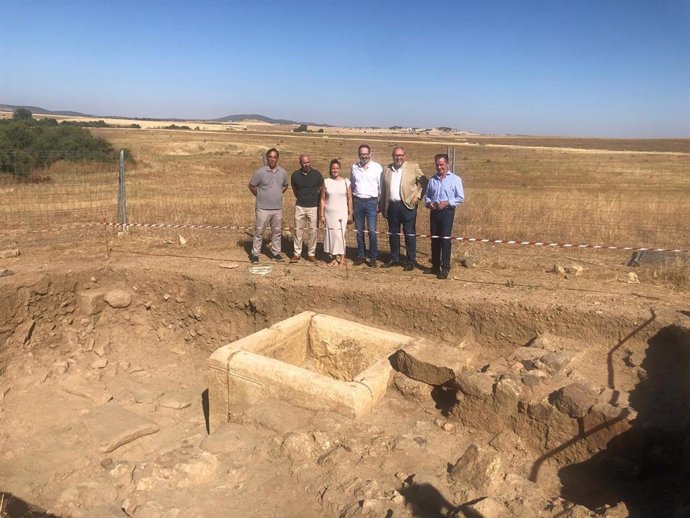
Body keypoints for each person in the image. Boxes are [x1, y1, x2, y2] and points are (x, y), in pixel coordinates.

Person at [379, 146, 428, 271]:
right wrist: (383, 206)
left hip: (407, 206)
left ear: (404, 156)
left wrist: (417, 197)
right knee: (393, 234)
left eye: (401, 155)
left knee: (409, 234)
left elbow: (425, 182)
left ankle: (411, 260)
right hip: (392, 207)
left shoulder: (413, 167)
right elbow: (383, 189)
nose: (398, 157)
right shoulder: (386, 169)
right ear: (393, 156)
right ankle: (394, 258)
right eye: (396, 155)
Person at [423, 153, 464, 279]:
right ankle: (435, 266)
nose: (439, 167)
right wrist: (429, 203)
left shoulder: (455, 179)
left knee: (445, 240)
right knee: (434, 239)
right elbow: (426, 196)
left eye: (441, 164)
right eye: (437, 165)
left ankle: (445, 267)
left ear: (447, 164)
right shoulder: (432, 180)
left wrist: (447, 202)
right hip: (434, 212)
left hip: (447, 212)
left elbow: (460, 198)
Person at [248, 148, 288, 263]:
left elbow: (285, 185)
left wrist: (278, 194)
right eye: (270, 157)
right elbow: (251, 185)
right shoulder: (260, 172)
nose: (272, 159)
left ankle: (275, 253)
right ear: (267, 158)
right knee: (259, 232)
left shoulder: (282, 172)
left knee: (276, 232)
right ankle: (255, 254)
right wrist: (259, 195)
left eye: (274, 157)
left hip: (277, 209)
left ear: (277, 159)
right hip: (262, 209)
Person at [350, 144, 382, 268]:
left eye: (366, 153)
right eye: (362, 154)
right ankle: (361, 256)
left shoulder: (377, 168)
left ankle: (373, 257)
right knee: (359, 232)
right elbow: (352, 185)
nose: (364, 156)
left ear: (370, 153)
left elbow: (381, 188)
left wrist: (379, 203)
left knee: (372, 231)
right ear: (359, 154)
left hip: (371, 202)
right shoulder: (354, 167)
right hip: (358, 202)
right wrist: (351, 203)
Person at [290, 154, 323, 263]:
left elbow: (322, 189)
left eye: (308, 162)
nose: (306, 165)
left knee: (313, 231)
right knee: (298, 231)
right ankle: (297, 253)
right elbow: (295, 190)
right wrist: (301, 198)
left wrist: (318, 202)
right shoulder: (295, 175)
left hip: (313, 206)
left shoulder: (317, 175)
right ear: (300, 163)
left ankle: (311, 254)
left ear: (310, 162)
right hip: (300, 206)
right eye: (304, 163)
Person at [320, 159, 353, 267]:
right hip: (329, 214)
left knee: (340, 235)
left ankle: (342, 258)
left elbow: (350, 199)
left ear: (340, 169)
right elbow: (323, 200)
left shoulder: (346, 182)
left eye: (337, 168)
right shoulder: (326, 182)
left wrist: (350, 213)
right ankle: (333, 258)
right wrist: (322, 215)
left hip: (341, 213)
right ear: (330, 169)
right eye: (333, 168)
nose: (335, 170)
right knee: (332, 235)